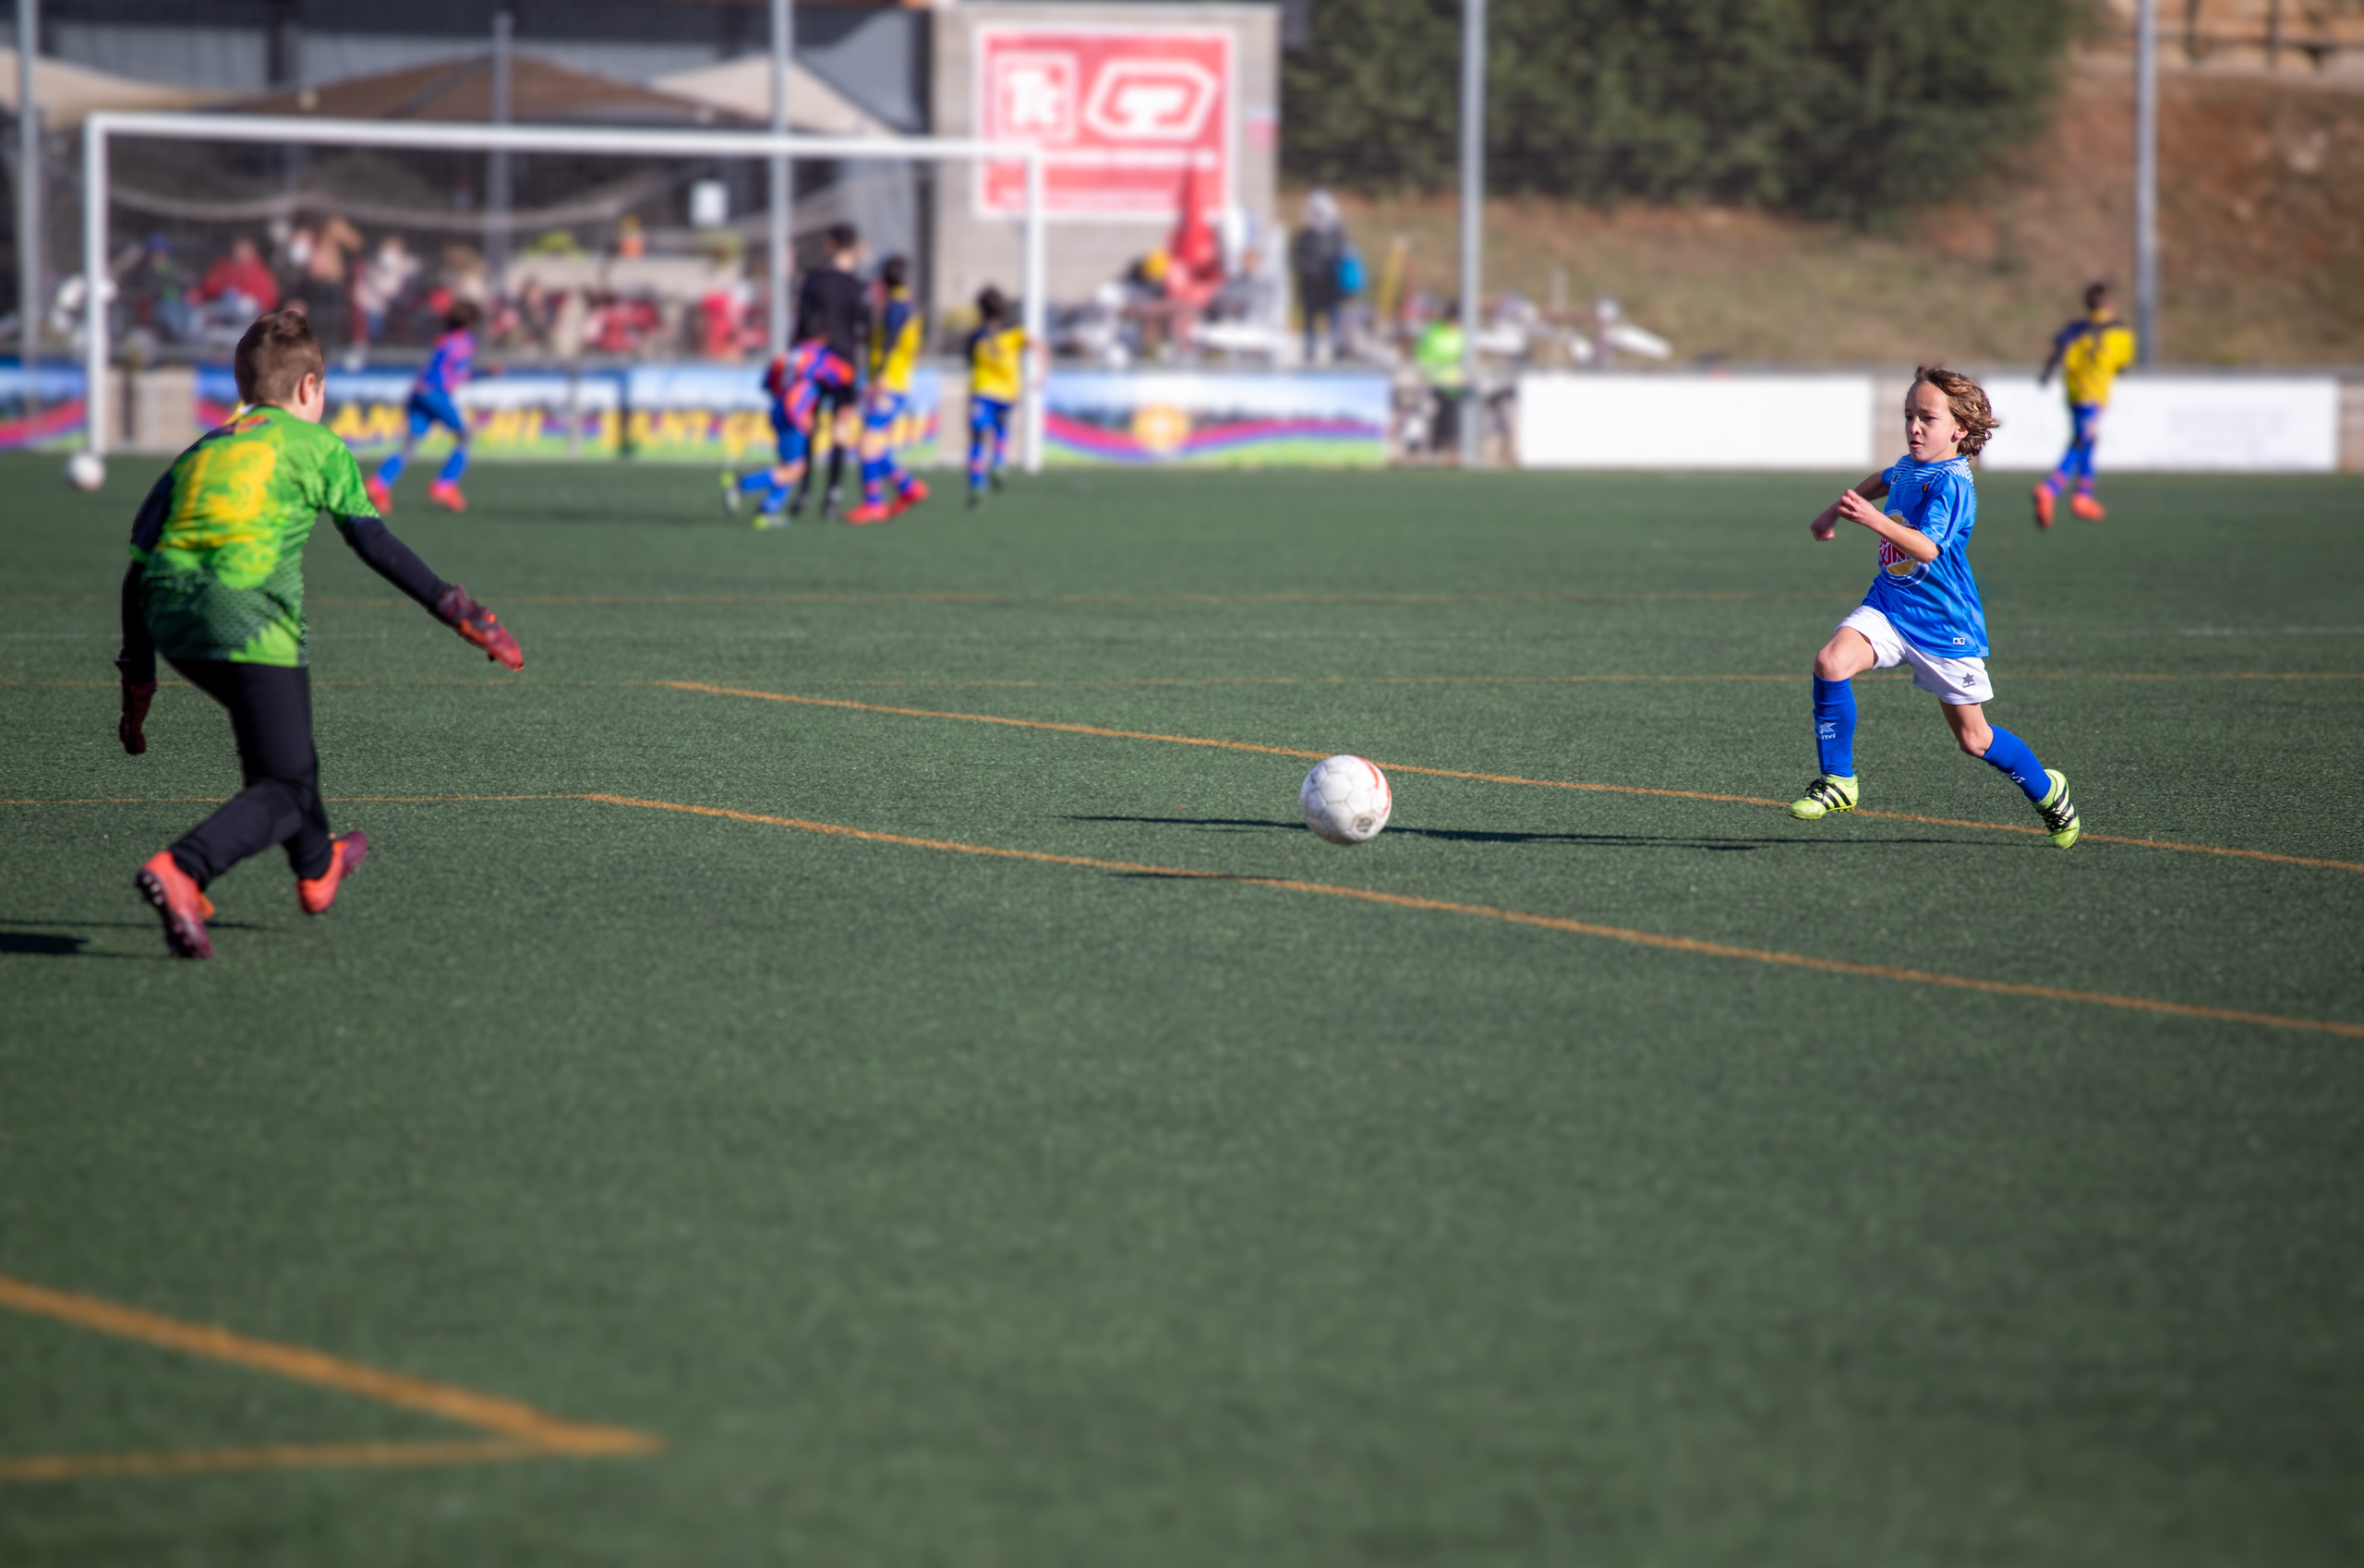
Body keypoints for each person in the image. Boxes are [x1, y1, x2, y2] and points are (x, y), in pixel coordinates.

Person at [115, 309, 524, 959]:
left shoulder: (201, 450)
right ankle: (185, 868)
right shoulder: (320, 446)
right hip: (250, 618)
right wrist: (457, 608)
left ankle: (317, 867)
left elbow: (137, 568)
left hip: (168, 616)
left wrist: (138, 675)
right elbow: (372, 541)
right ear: (310, 387)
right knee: (284, 787)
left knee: (288, 763)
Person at [1789, 367, 2081, 850]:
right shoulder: (1911, 466)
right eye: (1909, 416)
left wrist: (1872, 520)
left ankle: (2049, 792)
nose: (1914, 427)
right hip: (1890, 604)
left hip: (1944, 626)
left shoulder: (1953, 482)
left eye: (1927, 418)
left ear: (1959, 429)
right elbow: (1884, 478)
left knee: (1975, 740)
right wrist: (1833, 511)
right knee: (1830, 662)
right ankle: (1839, 781)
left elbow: (1926, 548)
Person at [721, 227, 865, 527]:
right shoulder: (823, 355)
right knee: (802, 459)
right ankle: (746, 486)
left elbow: (769, 381)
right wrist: (853, 392)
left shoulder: (792, 353)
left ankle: (773, 508)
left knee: (793, 462)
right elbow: (846, 361)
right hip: (798, 407)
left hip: (780, 408)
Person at [2033, 281, 2137, 527]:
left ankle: (2083, 495)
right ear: (2111, 303)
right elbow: (2123, 367)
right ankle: (2051, 488)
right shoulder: (2120, 332)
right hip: (2095, 394)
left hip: (2074, 393)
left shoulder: (2075, 329)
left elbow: (2057, 352)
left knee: (2086, 439)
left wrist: (2047, 374)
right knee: (2084, 439)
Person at [367, 300, 478, 514]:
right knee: (465, 436)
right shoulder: (465, 341)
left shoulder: (443, 339)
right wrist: (484, 374)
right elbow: (460, 374)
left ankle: (378, 484)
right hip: (435, 393)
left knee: (409, 444)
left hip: (418, 391)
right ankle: (444, 484)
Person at [845, 254, 929, 525]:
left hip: (889, 383)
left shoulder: (897, 304)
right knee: (870, 443)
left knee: (867, 442)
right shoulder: (907, 303)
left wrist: (879, 375)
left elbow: (891, 340)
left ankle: (875, 504)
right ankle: (908, 487)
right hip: (895, 382)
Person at [965, 284, 1025, 509]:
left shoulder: (976, 336)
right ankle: (999, 462)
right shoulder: (1015, 330)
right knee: (1002, 429)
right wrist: (1041, 374)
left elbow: (969, 362)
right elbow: (1037, 345)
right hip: (1007, 393)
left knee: (977, 439)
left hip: (982, 392)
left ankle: (977, 486)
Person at [1290, 188, 1350, 365]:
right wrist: (1312, 270)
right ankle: (1309, 354)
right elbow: (1297, 258)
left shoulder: (1337, 233)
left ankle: (1338, 353)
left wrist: (1332, 269)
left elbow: (1343, 255)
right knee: (1309, 325)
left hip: (1332, 289)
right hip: (1310, 289)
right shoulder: (1305, 235)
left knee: (1335, 322)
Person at [1414, 301, 1466, 455]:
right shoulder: (1433, 331)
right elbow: (1422, 356)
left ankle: (1451, 447)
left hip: (1456, 384)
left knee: (1454, 416)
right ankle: (1434, 448)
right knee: (1434, 415)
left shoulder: (1463, 333)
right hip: (1434, 382)